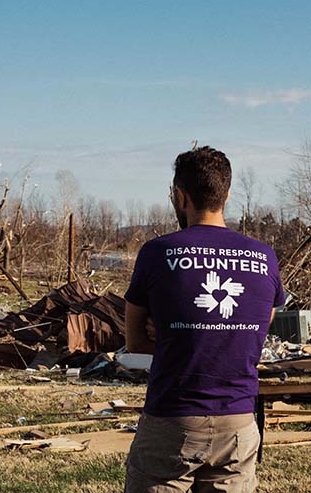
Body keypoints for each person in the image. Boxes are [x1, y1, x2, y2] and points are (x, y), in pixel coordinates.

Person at [124, 146, 285, 493]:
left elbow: (135, 341)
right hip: (239, 424)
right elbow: (256, 330)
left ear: (180, 196)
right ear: (226, 195)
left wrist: (170, 334)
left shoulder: (158, 253)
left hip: (173, 418)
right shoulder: (264, 257)